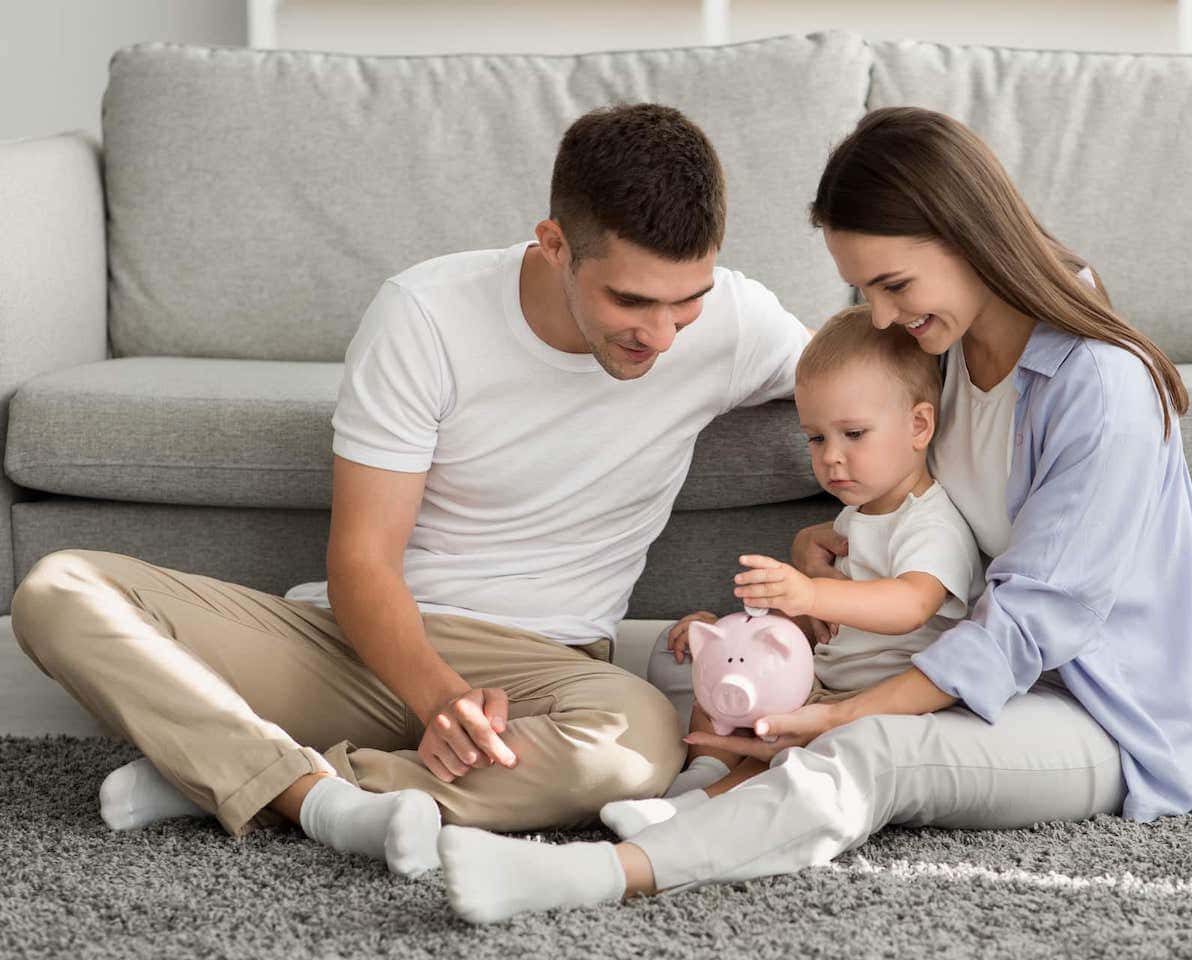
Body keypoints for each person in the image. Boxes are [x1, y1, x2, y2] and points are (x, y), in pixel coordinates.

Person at [433, 106, 1192, 924]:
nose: (882, 317)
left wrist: (840, 713)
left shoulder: (1099, 386)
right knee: (704, 663)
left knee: (870, 749)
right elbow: (911, 481)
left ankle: (602, 874)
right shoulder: (945, 347)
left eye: (895, 286)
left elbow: (1032, 624)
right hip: (958, 659)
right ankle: (703, 803)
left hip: (1092, 710)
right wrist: (844, 548)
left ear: (968, 239)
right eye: (866, 291)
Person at [9, 103, 812, 879]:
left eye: (687, 302)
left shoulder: (736, 323)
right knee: (58, 590)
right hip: (358, 645)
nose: (663, 335)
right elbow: (362, 558)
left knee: (636, 747)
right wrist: (440, 698)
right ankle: (292, 787)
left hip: (548, 672)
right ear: (556, 244)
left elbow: (880, 387)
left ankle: (254, 777)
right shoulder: (427, 315)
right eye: (631, 301)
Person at [598, 303, 984, 840]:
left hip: (882, 699)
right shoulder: (859, 515)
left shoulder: (930, 522)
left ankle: (692, 811)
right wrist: (746, 629)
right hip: (829, 678)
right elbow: (827, 625)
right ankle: (705, 767)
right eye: (817, 438)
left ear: (919, 425)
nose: (831, 458)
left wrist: (812, 595)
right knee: (735, 671)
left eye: (853, 434)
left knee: (789, 753)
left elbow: (910, 605)